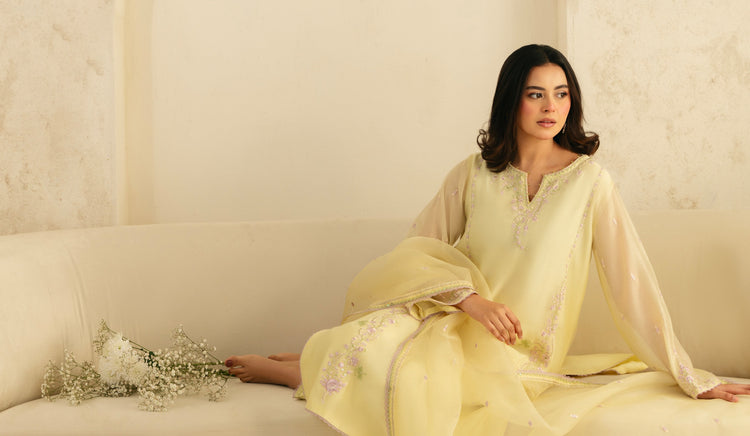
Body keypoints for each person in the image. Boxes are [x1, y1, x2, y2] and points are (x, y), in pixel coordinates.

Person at [225, 44, 750, 435]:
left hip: (521, 354)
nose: (551, 107)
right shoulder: (473, 175)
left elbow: (630, 283)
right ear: (511, 101)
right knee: (385, 341)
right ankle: (301, 362)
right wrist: (471, 301)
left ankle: (298, 367)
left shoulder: (591, 183)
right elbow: (414, 253)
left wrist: (687, 373)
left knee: (412, 381)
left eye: (562, 94)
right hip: (453, 323)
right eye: (536, 94)